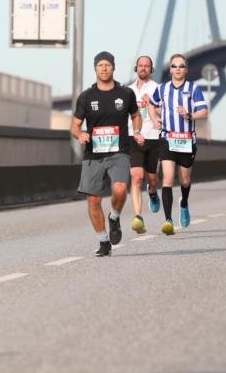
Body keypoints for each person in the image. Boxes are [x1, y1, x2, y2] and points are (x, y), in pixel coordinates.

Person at [71, 52, 142, 256]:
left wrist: (136, 131)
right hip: (94, 154)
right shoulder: (86, 97)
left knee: (119, 189)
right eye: (100, 65)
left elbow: (136, 115)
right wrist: (80, 134)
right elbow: (74, 125)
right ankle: (103, 242)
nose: (104, 68)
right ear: (95, 68)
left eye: (108, 65)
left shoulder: (126, 93)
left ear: (113, 68)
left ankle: (115, 216)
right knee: (93, 200)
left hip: (119, 151)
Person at [148, 53, 208, 235]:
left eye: (181, 66)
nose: (178, 69)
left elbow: (203, 112)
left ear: (186, 69)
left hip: (187, 140)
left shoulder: (194, 88)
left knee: (184, 179)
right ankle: (168, 220)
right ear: (170, 69)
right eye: (174, 66)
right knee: (167, 179)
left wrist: (189, 115)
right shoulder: (162, 88)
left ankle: (184, 203)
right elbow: (151, 104)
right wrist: (154, 119)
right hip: (167, 138)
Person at [127, 55, 161, 234]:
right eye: (140, 65)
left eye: (147, 66)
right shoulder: (128, 90)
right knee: (136, 177)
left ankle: (153, 192)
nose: (143, 68)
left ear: (151, 69)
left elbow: (166, 112)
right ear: (136, 68)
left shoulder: (158, 89)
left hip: (154, 137)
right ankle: (138, 216)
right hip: (134, 138)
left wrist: (153, 106)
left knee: (152, 179)